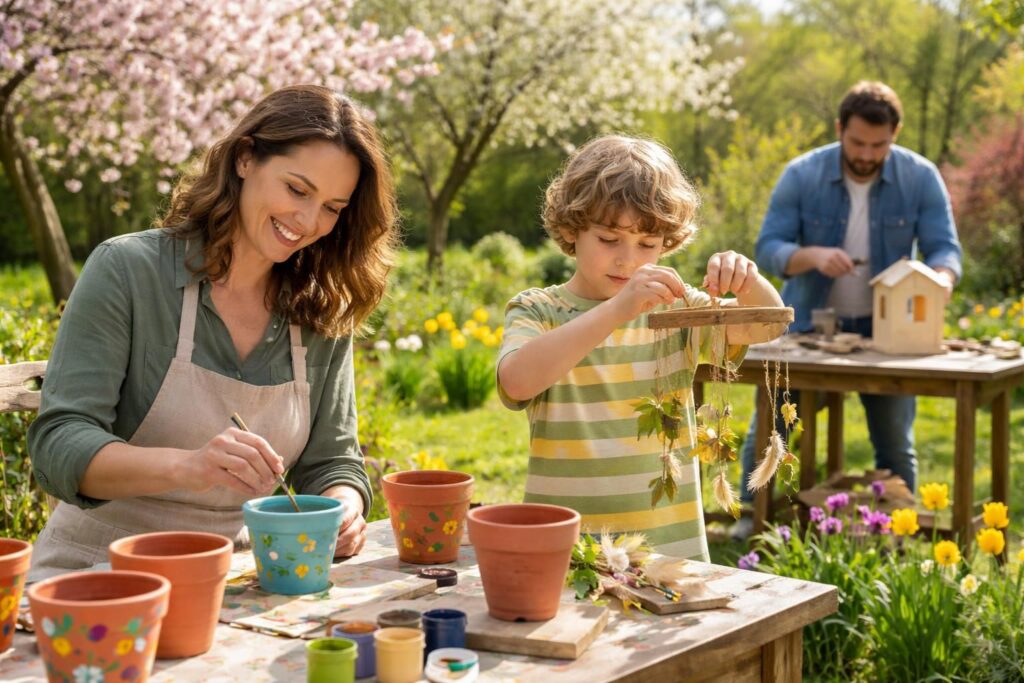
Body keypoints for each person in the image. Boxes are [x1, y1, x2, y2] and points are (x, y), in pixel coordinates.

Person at [27, 84, 396, 579]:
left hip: (238, 578)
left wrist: (343, 506)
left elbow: (333, 461)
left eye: (332, 207)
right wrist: (188, 466)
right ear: (245, 158)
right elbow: (58, 444)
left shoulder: (320, 307)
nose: (309, 221)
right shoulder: (129, 271)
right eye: (297, 189)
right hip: (96, 572)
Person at [496, 135, 786, 561]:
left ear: (666, 243)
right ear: (572, 229)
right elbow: (516, 382)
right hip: (568, 551)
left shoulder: (677, 309)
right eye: (609, 239)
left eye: (647, 245)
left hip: (669, 551)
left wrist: (749, 280)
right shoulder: (539, 310)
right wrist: (618, 310)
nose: (627, 260)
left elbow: (768, 325)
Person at [731, 81, 963, 539]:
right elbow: (770, 247)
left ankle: (897, 529)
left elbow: (945, 249)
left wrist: (941, 280)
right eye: (857, 143)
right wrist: (813, 256)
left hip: (888, 332)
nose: (867, 154)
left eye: (879, 145)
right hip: (808, 324)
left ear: (895, 135)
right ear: (840, 128)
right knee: (773, 424)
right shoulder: (802, 174)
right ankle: (749, 516)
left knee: (895, 438)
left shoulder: (920, 176)